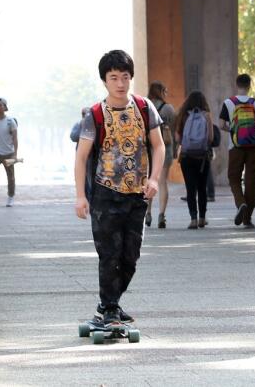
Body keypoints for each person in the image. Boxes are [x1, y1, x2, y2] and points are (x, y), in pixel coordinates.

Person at [74, 50, 166, 327]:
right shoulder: (94, 115)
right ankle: (111, 308)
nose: (120, 83)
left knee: (131, 257)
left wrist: (153, 179)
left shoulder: (143, 107)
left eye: (125, 77)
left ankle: (107, 303)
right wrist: (80, 196)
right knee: (109, 255)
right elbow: (81, 157)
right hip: (105, 194)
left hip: (137, 195)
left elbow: (159, 146)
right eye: (114, 78)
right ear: (104, 81)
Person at [220, 73, 255, 228]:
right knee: (251, 180)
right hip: (253, 146)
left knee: (233, 177)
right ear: (249, 86)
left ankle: (241, 203)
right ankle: (247, 219)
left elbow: (221, 124)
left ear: (237, 85)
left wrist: (233, 131)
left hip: (235, 147)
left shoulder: (228, 103)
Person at [175, 90, 215, 229]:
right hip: (203, 157)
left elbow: (178, 138)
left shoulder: (183, 115)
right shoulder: (207, 116)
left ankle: (193, 219)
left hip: (187, 157)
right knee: (202, 188)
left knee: (190, 189)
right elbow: (210, 138)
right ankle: (202, 218)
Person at [146, 81, 177, 229]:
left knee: (149, 180)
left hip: (149, 149)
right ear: (161, 92)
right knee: (163, 182)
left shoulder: (145, 107)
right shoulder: (169, 109)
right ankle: (161, 215)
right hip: (166, 148)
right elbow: (174, 129)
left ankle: (148, 213)